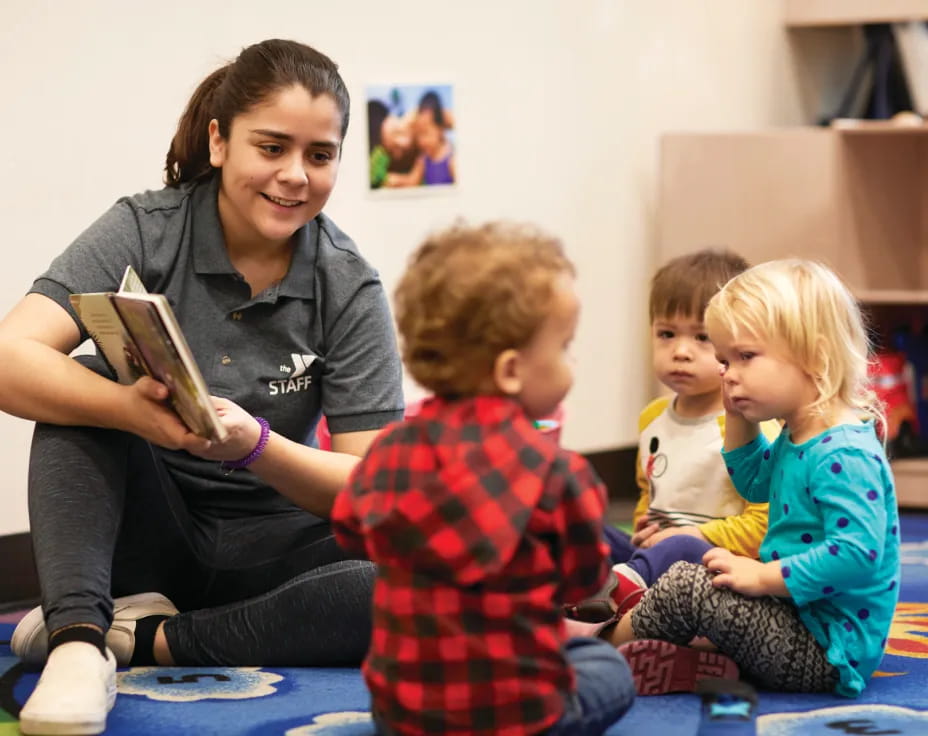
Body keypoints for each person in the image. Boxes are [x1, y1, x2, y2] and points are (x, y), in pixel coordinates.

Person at [1, 39, 404, 735]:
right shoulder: (145, 228)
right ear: (219, 141)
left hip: (279, 554)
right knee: (84, 379)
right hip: (150, 537)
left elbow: (376, 488)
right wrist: (128, 409)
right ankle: (76, 641)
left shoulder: (349, 282)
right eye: (271, 147)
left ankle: (144, 640)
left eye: (319, 155)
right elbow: (10, 358)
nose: (294, 176)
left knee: (408, 583)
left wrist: (258, 450)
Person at [331, 222, 634, 735]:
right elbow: (585, 582)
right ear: (511, 370)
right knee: (606, 667)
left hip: (403, 716)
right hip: (516, 718)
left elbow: (350, 529)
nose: (572, 363)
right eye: (564, 347)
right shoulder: (558, 474)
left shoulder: (390, 452)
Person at [607, 258, 900, 698]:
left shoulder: (843, 451)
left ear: (814, 357)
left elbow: (856, 554)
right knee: (699, 572)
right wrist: (736, 416)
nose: (730, 374)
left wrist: (763, 578)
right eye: (725, 360)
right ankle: (684, 655)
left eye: (745, 357)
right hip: (793, 614)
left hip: (826, 651)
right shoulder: (801, 431)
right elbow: (754, 484)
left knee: (690, 586)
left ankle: (595, 646)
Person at [568, 250, 776, 624]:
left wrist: (691, 534)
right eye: (666, 334)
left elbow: (766, 525)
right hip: (655, 557)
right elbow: (650, 491)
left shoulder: (753, 424)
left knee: (681, 545)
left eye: (702, 337)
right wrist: (644, 528)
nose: (680, 352)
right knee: (586, 531)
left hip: (718, 567)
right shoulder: (653, 417)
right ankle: (573, 597)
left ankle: (608, 609)